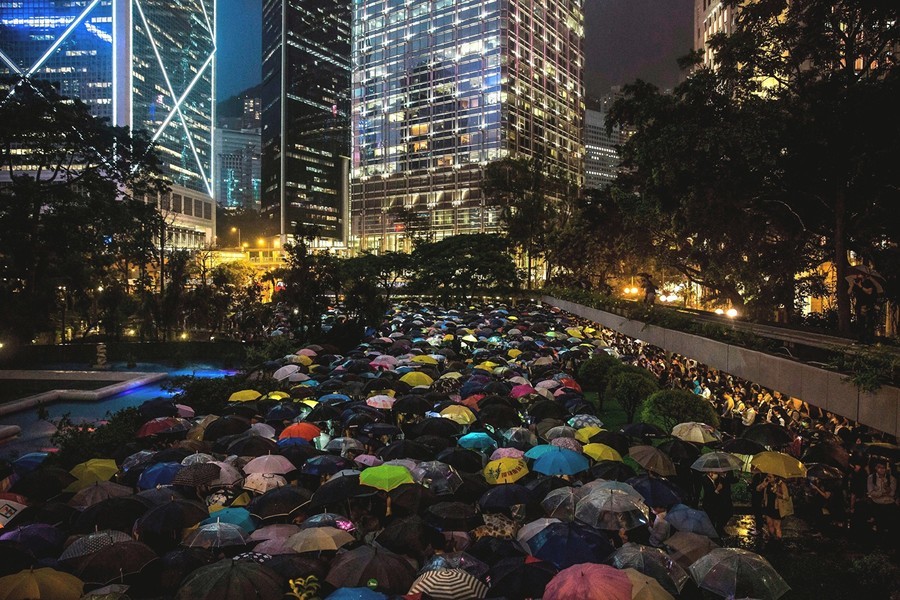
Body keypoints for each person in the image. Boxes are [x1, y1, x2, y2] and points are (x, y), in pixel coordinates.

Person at [758, 474, 792, 541]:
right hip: (768, 506)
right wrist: (763, 484)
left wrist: (776, 492)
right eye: (767, 476)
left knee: (777, 525)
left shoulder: (781, 484)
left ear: (775, 478)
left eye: (770, 477)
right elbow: (758, 489)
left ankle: (779, 540)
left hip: (777, 508)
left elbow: (786, 497)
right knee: (769, 523)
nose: (768, 478)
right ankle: (772, 538)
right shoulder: (767, 484)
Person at [867, 460, 897, 535]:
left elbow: (892, 493)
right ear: (876, 468)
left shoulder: (891, 478)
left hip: (889, 504)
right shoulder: (871, 478)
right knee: (879, 526)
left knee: (890, 526)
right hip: (877, 504)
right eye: (879, 467)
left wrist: (887, 488)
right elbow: (871, 492)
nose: (881, 469)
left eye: (883, 467)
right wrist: (883, 493)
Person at [849, 273, 878, 343]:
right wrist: (852, 284)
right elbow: (849, 292)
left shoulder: (868, 282)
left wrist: (861, 286)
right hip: (859, 305)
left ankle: (869, 340)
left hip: (868, 305)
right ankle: (861, 339)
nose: (858, 276)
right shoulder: (856, 284)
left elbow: (869, 292)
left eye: (860, 275)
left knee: (869, 323)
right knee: (860, 323)